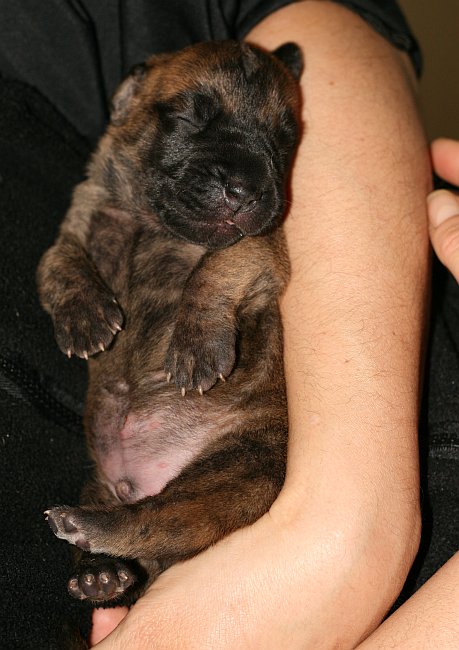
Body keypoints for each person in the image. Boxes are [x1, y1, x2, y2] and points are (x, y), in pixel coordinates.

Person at [0, 2, 455, 648]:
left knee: (239, 481)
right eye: (193, 119)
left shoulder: (240, 221)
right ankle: (117, 556)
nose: (244, 179)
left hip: (248, 443)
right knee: (104, 507)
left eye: (279, 142)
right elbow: (64, 255)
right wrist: (72, 289)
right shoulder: (105, 196)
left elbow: (261, 257)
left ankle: (131, 535)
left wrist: (209, 305)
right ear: (129, 99)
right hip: (118, 471)